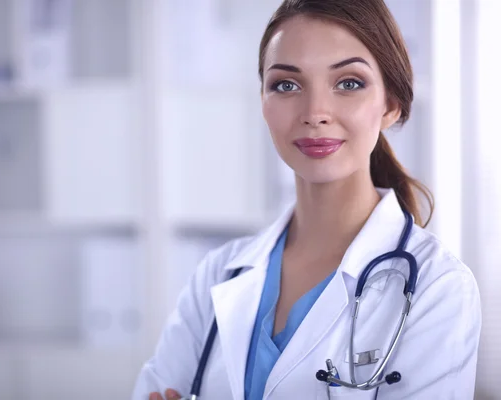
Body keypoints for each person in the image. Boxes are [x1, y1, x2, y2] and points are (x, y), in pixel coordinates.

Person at [133, 0, 482, 398]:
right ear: (264, 103)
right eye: (287, 85)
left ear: (390, 104)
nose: (315, 112)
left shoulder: (437, 288)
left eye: (348, 83)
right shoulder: (218, 274)